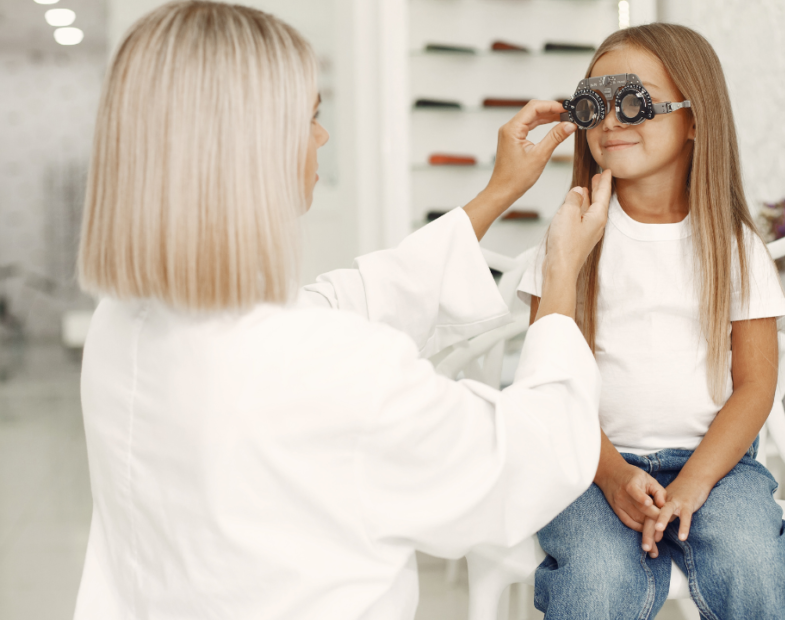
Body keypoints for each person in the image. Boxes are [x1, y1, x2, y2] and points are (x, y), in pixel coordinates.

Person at [73, 2, 613, 619]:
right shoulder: (334, 373)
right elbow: (525, 460)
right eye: (312, 118)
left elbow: (338, 303)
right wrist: (561, 278)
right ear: (253, 149)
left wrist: (495, 195)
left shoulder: (122, 321)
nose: (322, 137)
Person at [518, 24, 785, 620]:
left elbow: (756, 385)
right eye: (594, 103)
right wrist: (609, 475)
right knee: (597, 583)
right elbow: (546, 383)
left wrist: (696, 482)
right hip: (588, 462)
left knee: (754, 563)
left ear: (695, 119)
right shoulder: (568, 241)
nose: (611, 120)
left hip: (717, 462)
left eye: (635, 101)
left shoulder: (735, 248)